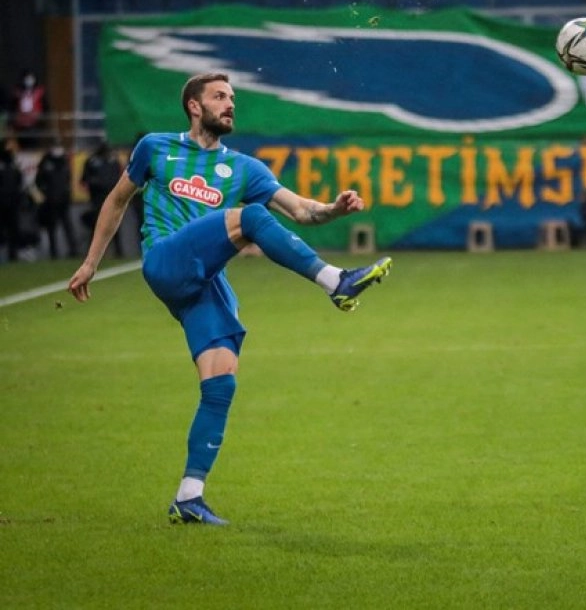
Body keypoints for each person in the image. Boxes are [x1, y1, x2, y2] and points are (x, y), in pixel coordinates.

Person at [68, 72, 392, 525]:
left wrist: (334, 209)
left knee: (220, 381)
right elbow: (117, 200)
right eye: (220, 96)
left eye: (232, 97)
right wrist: (90, 263)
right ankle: (335, 281)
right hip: (166, 261)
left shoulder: (244, 168)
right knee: (250, 217)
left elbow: (302, 210)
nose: (230, 104)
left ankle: (189, 496)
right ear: (194, 106)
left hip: (203, 281)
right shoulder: (155, 147)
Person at [34, 144, 80, 259]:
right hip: (51, 201)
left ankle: (73, 250)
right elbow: (38, 181)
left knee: (67, 226)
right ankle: (54, 253)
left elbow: (68, 178)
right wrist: (47, 193)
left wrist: (66, 192)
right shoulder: (45, 162)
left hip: (64, 200)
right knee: (52, 227)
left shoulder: (64, 161)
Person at [81, 140, 125, 257]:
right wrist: (95, 184)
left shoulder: (114, 161)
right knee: (97, 225)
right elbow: (84, 180)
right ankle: (93, 254)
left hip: (113, 197)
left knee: (114, 224)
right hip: (97, 199)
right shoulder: (92, 161)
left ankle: (118, 251)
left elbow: (120, 178)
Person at [7, 69, 50, 150]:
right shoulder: (17, 92)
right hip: (21, 125)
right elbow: (12, 107)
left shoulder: (40, 92)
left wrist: (43, 120)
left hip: (35, 124)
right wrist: (11, 122)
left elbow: (46, 107)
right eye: (27, 78)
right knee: (22, 144)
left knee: (34, 144)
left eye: (30, 78)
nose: (29, 81)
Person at [0, 140, 24, 261]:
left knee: (13, 230)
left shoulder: (14, 164)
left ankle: (13, 255)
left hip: (13, 203)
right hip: (2, 202)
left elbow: (19, 181)